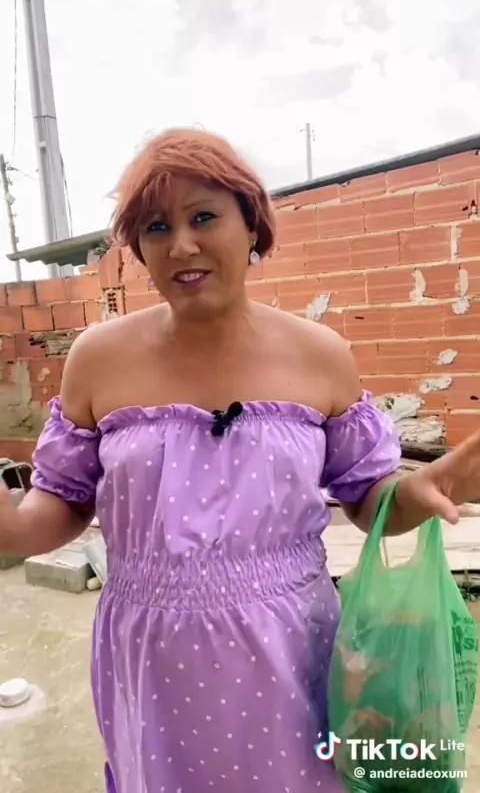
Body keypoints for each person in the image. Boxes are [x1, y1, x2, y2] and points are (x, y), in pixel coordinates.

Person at [0, 128, 477, 793]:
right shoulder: (96, 358)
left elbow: (368, 496)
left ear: (252, 225)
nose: (181, 245)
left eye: (204, 217)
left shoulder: (319, 354)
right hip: (151, 655)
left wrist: (416, 493)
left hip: (290, 646)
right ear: (138, 247)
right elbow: (64, 500)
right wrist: (13, 527)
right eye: (156, 227)